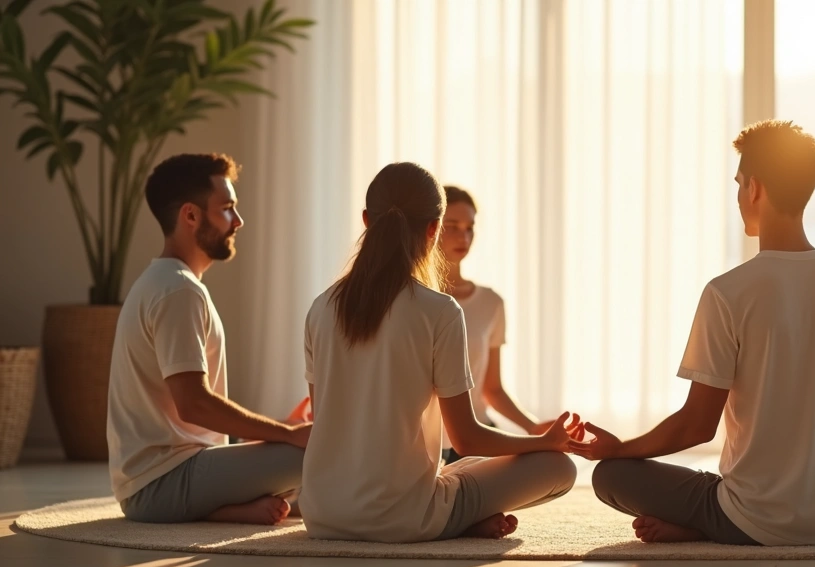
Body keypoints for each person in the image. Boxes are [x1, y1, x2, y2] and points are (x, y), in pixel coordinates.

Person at [569, 120, 815, 546]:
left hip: (751, 520)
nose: (737, 197)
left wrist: (619, 449)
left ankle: (708, 524)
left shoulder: (727, 292)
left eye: (738, 183)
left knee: (610, 476)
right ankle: (726, 519)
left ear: (754, 188)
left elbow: (696, 426)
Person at [300, 162, 578, 543]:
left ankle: (461, 514)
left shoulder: (320, 308)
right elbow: (466, 438)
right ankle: (460, 520)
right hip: (403, 518)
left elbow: (324, 422)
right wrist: (544, 442)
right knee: (558, 468)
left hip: (322, 514)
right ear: (434, 229)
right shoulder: (440, 311)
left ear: (366, 220)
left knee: (464, 469)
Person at [108, 153, 310, 526]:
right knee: (326, 450)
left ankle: (225, 509)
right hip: (161, 484)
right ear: (191, 216)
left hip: (161, 480)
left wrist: (284, 434)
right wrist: (289, 434)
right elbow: (194, 405)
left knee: (303, 447)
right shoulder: (177, 291)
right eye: (228, 209)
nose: (239, 221)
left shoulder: (164, 283)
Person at [437, 186, 555, 464]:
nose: (463, 236)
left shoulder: (491, 303)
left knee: (553, 467)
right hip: (430, 441)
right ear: (431, 227)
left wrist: (534, 430)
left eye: (470, 227)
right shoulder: (413, 300)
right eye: (452, 226)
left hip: (479, 434)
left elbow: (492, 389)